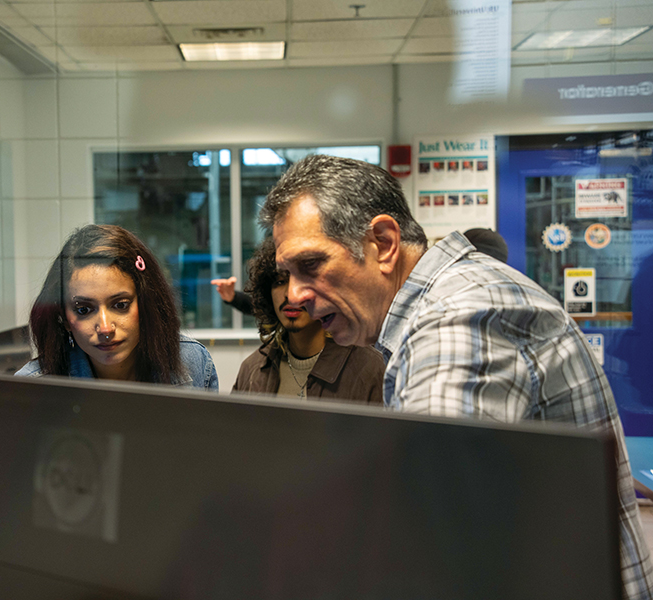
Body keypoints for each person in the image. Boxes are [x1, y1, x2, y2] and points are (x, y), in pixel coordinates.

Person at [260, 154, 653, 600]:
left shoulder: (462, 315)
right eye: (287, 275)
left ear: (385, 243)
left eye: (310, 266)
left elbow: (431, 542)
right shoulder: (449, 302)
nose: (295, 295)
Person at [16, 224, 218, 390]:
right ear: (64, 318)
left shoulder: (192, 363)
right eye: (84, 310)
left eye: (120, 305)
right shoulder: (31, 388)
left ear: (145, 304)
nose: (105, 328)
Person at [232, 236, 384, 404]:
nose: (291, 295)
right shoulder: (252, 370)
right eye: (280, 281)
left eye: (303, 280)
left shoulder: (369, 370)